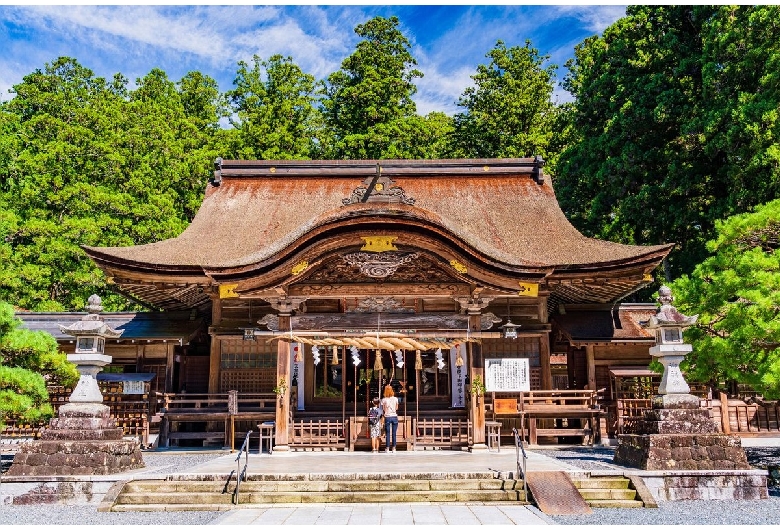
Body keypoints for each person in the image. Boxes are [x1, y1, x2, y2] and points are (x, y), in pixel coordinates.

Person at [381, 384, 399, 453]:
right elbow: (397, 408)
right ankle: (394, 448)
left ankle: (387, 448)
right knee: (394, 433)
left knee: (387, 433)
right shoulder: (395, 399)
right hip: (394, 416)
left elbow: (383, 409)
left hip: (387, 417)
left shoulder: (384, 400)